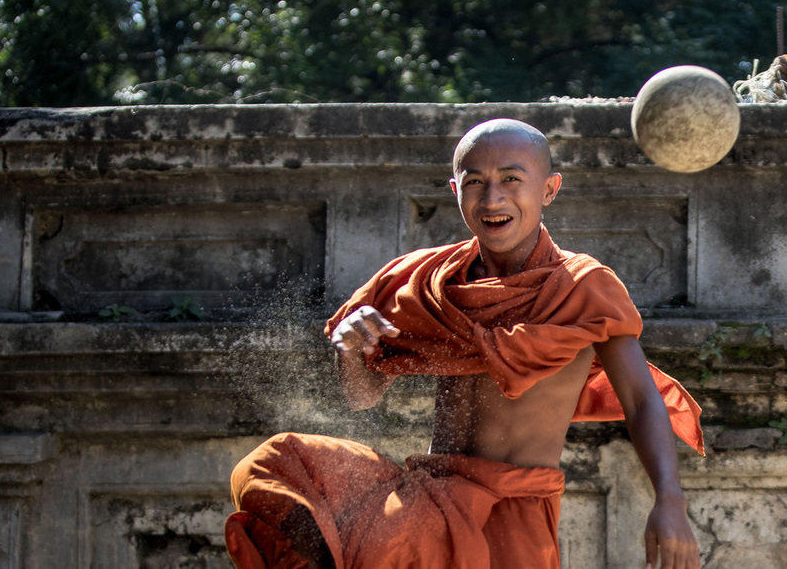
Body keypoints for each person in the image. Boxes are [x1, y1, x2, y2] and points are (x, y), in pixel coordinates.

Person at [224, 119, 704, 569]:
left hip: (512, 508)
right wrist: (353, 348)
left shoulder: (582, 285)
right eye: (475, 182)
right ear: (456, 191)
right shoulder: (427, 282)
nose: (492, 198)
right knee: (277, 464)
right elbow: (361, 396)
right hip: (429, 498)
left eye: (512, 180)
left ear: (549, 189)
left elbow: (641, 401)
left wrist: (669, 499)